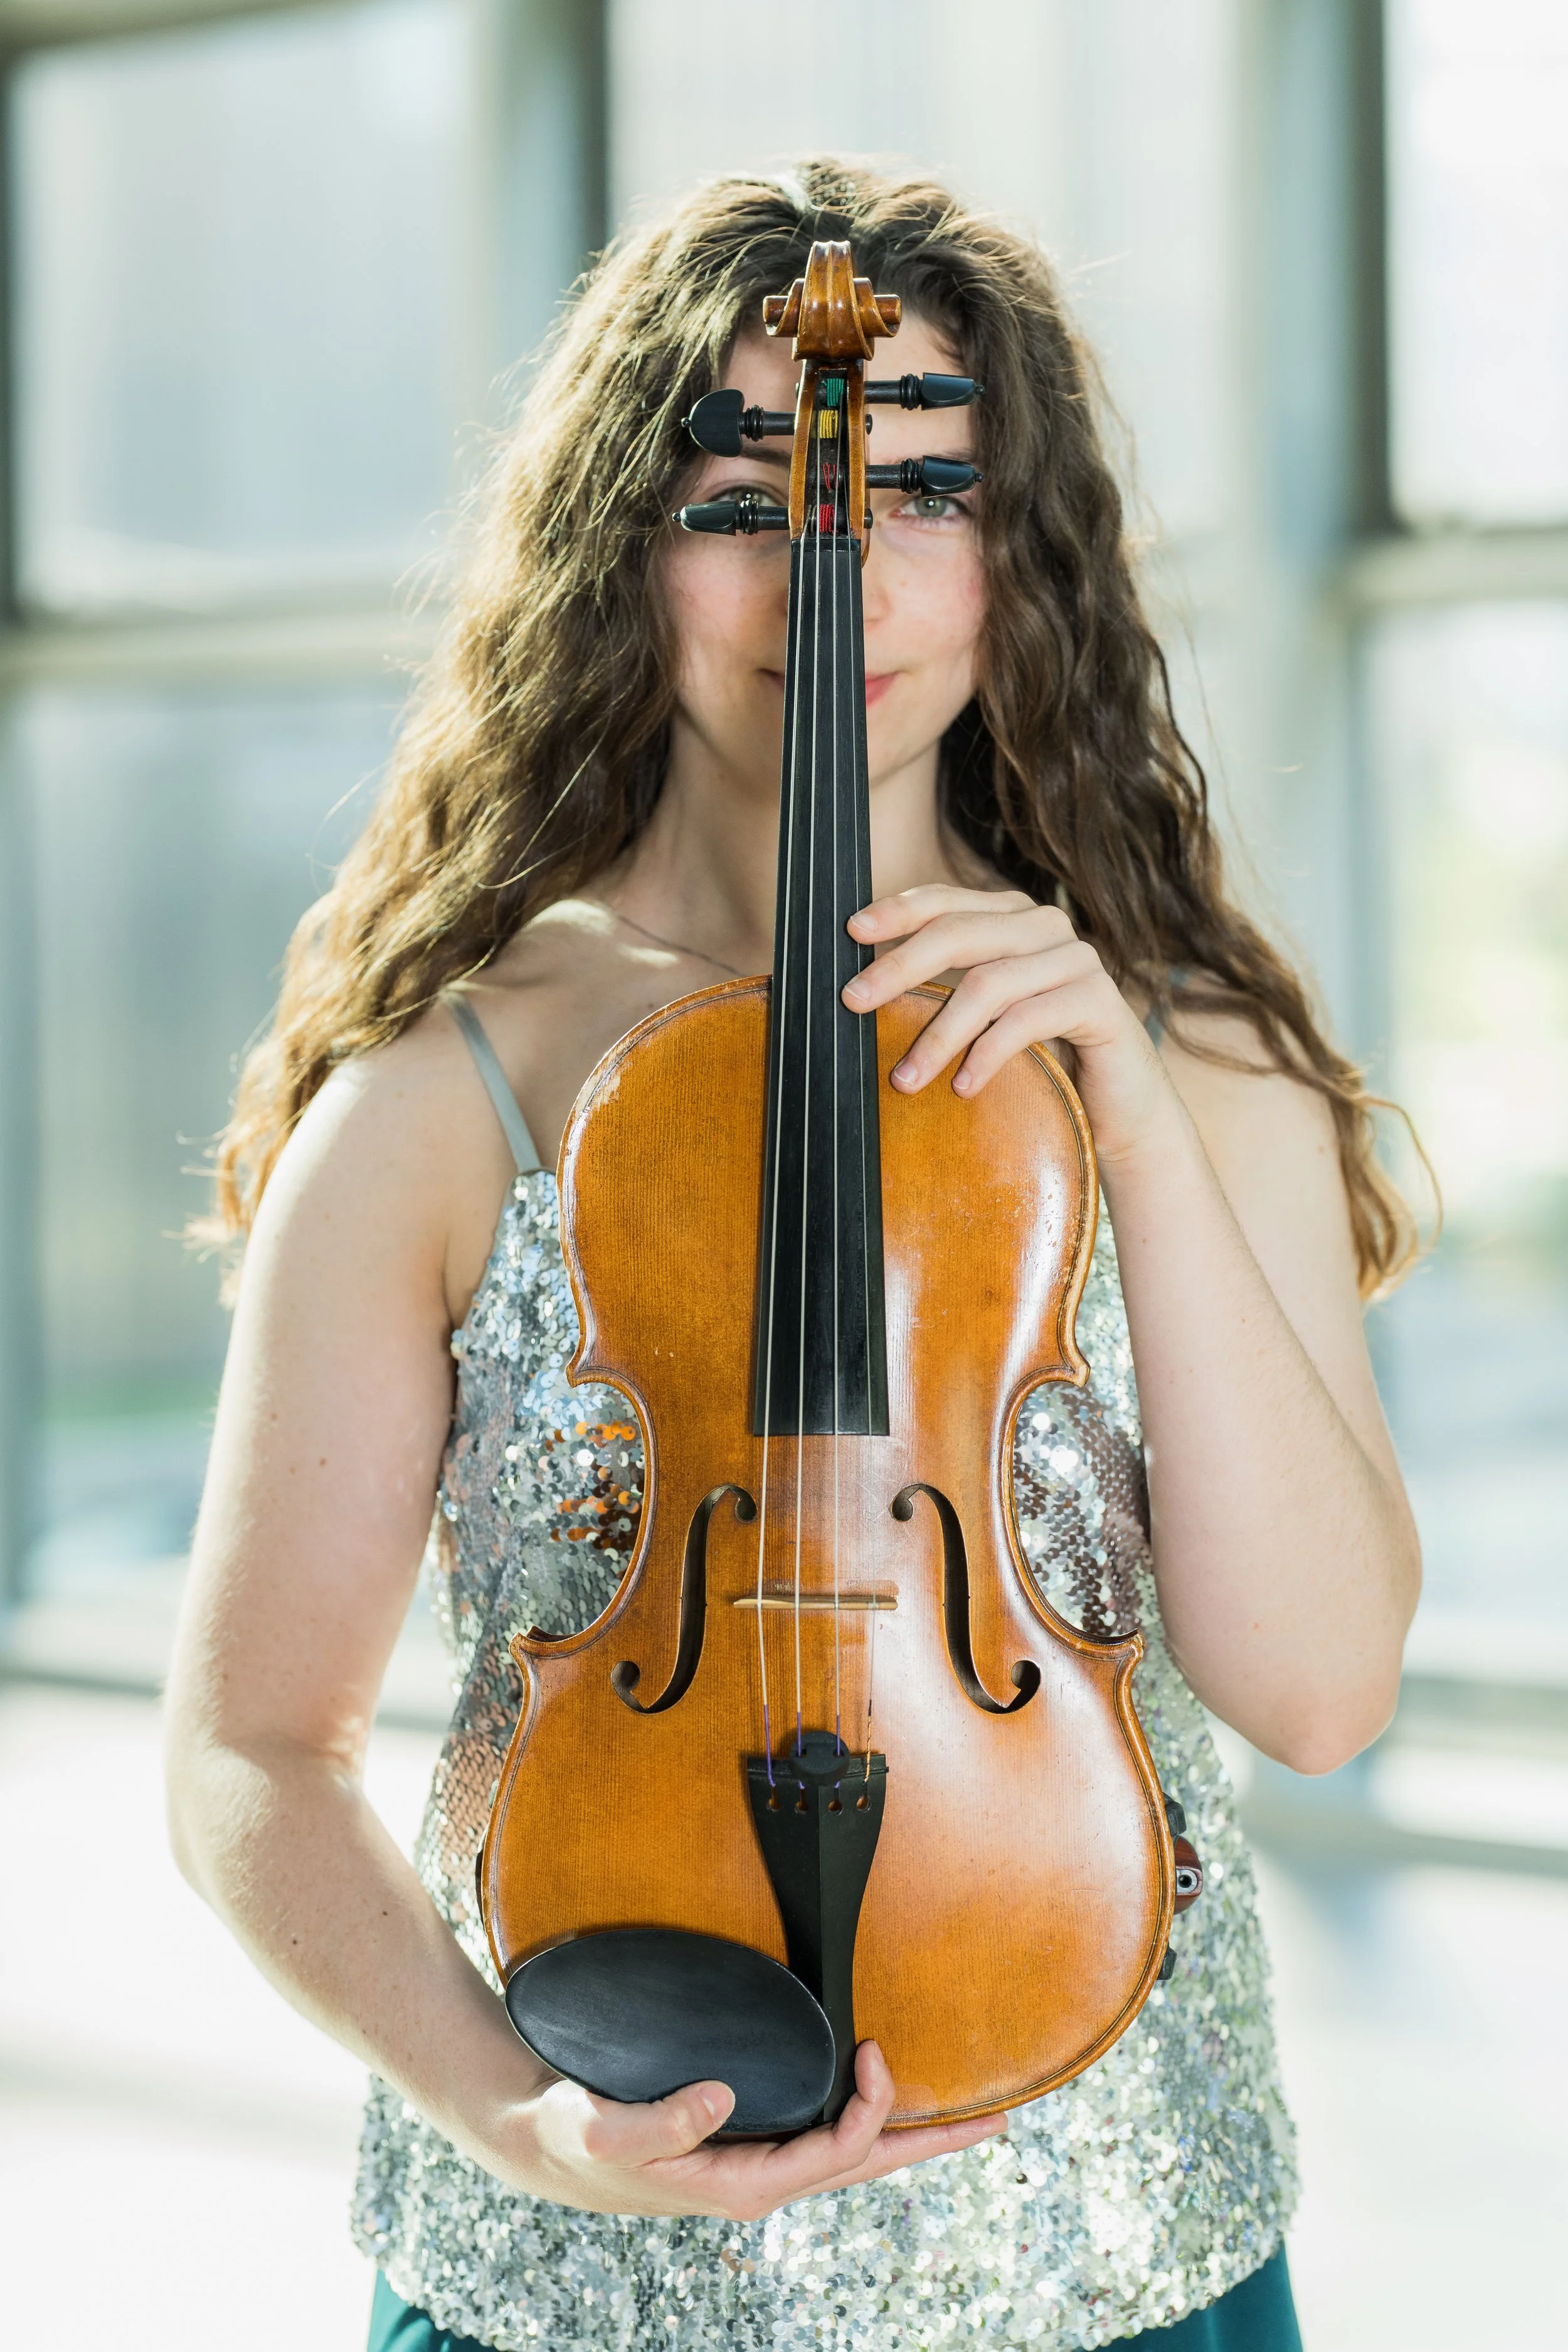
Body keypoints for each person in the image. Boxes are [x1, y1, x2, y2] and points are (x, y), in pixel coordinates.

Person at [164, 161, 1421, 2351]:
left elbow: (1315, 1693)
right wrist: (504, 2113)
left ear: (1021, 559)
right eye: (737, 499)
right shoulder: (447, 1086)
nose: (833, 564)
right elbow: (249, 1749)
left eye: (920, 485)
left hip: (1115, 2254)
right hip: (571, 2266)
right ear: (612, 558)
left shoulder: (1182, 1055)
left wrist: (1119, 1100)